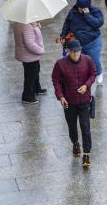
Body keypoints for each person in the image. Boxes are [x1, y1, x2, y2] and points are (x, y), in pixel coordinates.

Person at [51, 40, 96, 168]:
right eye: (74, 51)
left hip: (84, 101)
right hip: (69, 102)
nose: (77, 54)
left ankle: (86, 154)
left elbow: (93, 74)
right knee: (72, 126)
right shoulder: (60, 64)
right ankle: (75, 143)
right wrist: (60, 96)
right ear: (68, 51)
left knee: (85, 127)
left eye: (79, 51)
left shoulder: (88, 60)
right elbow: (56, 80)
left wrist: (86, 85)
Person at [12, 20, 46, 104]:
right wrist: (41, 50)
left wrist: (36, 26)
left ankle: (36, 88)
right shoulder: (26, 26)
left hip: (27, 55)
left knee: (35, 71)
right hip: (29, 55)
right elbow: (30, 43)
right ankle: (27, 96)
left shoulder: (19, 23)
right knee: (31, 75)